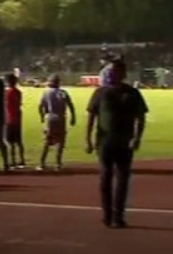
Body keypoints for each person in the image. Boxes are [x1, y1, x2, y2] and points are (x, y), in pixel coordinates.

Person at [85, 58, 149, 228]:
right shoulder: (100, 92)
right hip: (105, 141)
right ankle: (107, 214)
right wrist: (88, 139)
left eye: (115, 71)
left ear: (123, 73)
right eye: (111, 72)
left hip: (124, 141)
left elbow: (141, 117)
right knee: (105, 178)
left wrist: (137, 138)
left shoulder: (132, 93)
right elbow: (91, 116)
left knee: (122, 179)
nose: (112, 74)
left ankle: (118, 216)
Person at [37, 74, 76, 171]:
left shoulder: (46, 93)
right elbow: (70, 105)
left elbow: (40, 106)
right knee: (60, 141)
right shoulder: (63, 93)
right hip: (61, 118)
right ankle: (58, 164)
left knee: (47, 141)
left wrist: (42, 116)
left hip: (50, 117)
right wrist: (73, 117)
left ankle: (42, 163)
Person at [4, 72, 27, 170]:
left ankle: (12, 162)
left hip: (9, 119)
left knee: (10, 142)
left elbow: (4, 104)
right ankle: (22, 160)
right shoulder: (18, 92)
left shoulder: (7, 92)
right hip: (17, 118)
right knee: (19, 141)